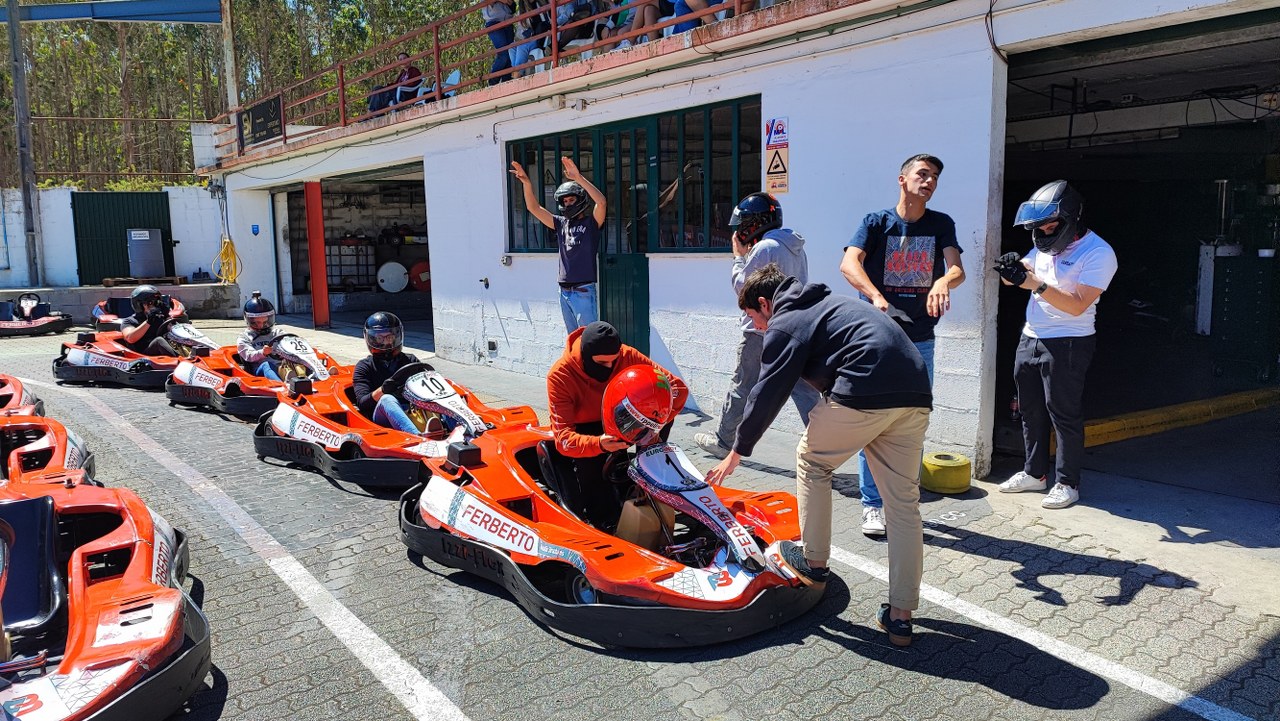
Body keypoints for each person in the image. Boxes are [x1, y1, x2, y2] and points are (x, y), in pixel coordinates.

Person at [705, 263, 932, 647]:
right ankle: (900, 618)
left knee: (812, 461)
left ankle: (813, 561)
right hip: (914, 394)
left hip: (864, 391)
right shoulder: (827, 304)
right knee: (904, 506)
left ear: (765, 303)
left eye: (753, 318)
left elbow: (767, 391)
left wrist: (737, 452)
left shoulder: (785, 321)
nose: (758, 328)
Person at [839, 153, 965, 537]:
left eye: (935, 177)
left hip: (920, 339)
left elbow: (956, 267)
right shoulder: (876, 222)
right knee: (872, 420)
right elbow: (849, 264)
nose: (929, 181)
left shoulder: (941, 224)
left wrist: (943, 281)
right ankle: (873, 505)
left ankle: (903, 503)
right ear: (902, 179)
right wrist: (876, 297)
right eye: (922, 174)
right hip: (877, 338)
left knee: (911, 424)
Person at [994, 180, 1117, 510]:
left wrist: (1036, 285)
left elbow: (1078, 304)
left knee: (1063, 414)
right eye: (1039, 227)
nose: (1045, 232)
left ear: (1071, 218)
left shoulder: (1098, 253)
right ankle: (1035, 474)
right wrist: (1012, 271)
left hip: (1069, 341)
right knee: (1029, 411)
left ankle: (1067, 482)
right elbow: (1022, 275)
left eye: (1051, 226)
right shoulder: (1044, 247)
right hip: (1031, 336)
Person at [694, 192, 820, 458]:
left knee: (742, 386)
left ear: (756, 222)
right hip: (793, 329)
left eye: (743, 224)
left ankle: (723, 442)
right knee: (805, 391)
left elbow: (744, 288)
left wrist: (739, 257)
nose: (740, 231)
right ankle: (824, 447)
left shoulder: (765, 248)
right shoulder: (794, 246)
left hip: (761, 330)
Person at [546, 321, 689, 527]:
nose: (611, 367)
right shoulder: (560, 376)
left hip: (626, 421)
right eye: (602, 363)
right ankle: (605, 523)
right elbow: (563, 439)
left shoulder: (626, 355)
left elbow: (676, 388)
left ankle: (651, 482)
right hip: (589, 432)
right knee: (596, 483)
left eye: (614, 361)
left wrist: (653, 427)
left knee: (660, 417)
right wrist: (599, 444)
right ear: (586, 356)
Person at [509, 156, 608, 333]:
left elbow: (601, 202)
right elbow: (534, 208)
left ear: (580, 200)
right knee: (572, 340)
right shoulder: (561, 223)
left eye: (571, 200)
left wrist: (578, 178)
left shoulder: (591, 224)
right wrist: (526, 183)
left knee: (589, 340)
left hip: (583, 291)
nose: (567, 203)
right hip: (564, 292)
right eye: (565, 201)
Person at [352, 312, 431, 435]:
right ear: (371, 339)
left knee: (441, 395)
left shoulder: (410, 361)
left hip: (414, 410)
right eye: (380, 338)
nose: (386, 342)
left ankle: (463, 431)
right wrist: (383, 390)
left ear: (396, 337)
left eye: (389, 337)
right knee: (387, 399)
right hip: (382, 418)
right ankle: (418, 437)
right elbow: (362, 403)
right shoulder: (364, 367)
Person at [236, 291, 285, 381]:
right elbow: (248, 356)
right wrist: (263, 353)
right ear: (250, 321)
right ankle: (283, 387)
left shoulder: (278, 333)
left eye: (265, 322)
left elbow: (289, 342)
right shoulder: (244, 337)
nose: (261, 326)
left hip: (283, 368)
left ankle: (315, 382)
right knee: (267, 365)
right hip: (260, 371)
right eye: (257, 322)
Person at [119, 284, 178, 356]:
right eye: (150, 303)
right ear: (139, 305)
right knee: (159, 341)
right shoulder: (129, 321)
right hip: (143, 355)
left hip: (164, 353)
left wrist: (166, 316)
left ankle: (193, 356)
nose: (153, 306)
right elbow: (130, 338)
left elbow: (175, 333)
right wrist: (148, 321)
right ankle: (180, 361)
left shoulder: (160, 318)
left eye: (156, 303)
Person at [482, 0, 516, 85]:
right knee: (504, 53)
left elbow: (513, 6)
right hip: (494, 23)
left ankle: (507, 82)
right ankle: (493, 82)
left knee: (510, 55)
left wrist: (510, 3)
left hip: (508, 22)